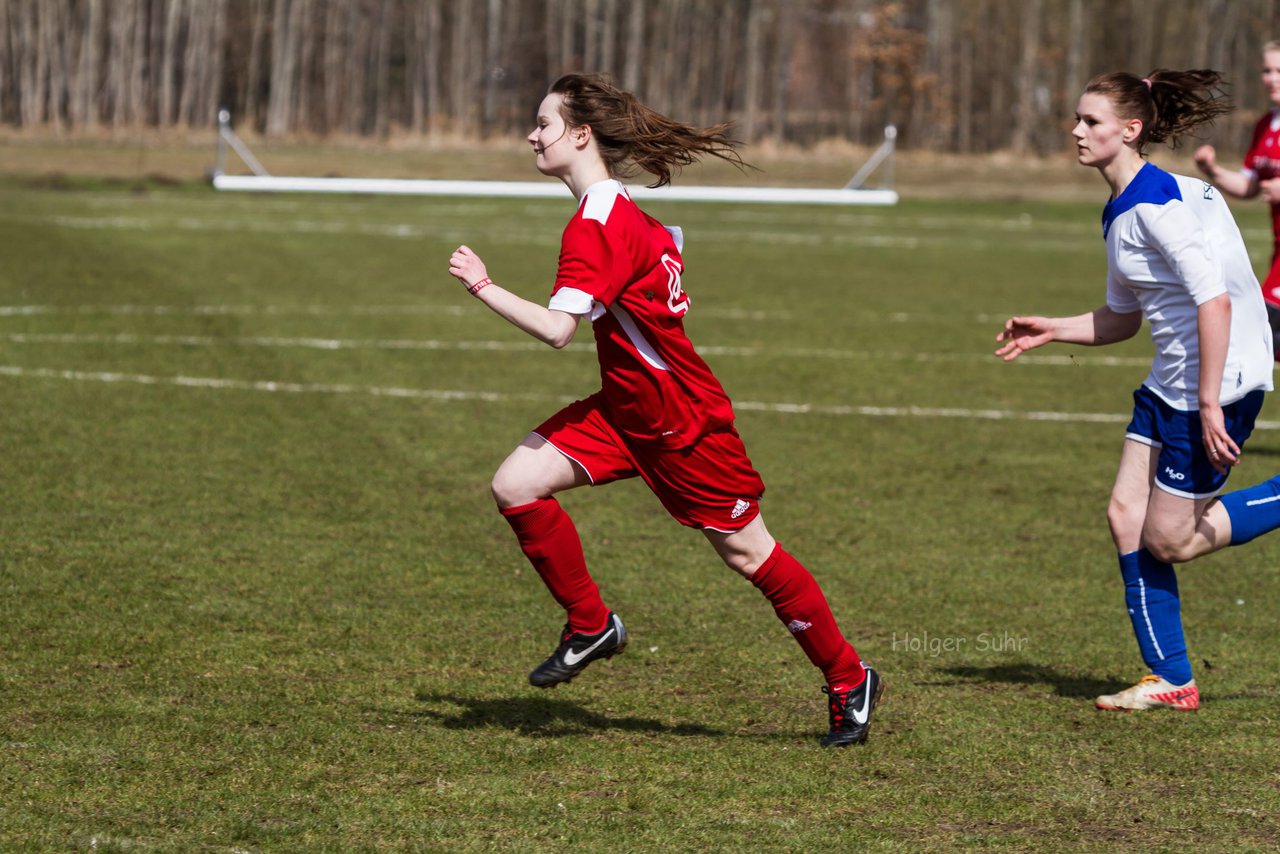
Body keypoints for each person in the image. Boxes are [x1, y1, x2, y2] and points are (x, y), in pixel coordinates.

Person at [446, 73, 882, 746]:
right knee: (516, 484)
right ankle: (592, 625)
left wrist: (483, 285)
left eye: (543, 124)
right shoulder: (621, 212)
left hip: (681, 422)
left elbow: (560, 329)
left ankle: (849, 677)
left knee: (748, 552)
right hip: (626, 410)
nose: (531, 135)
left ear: (581, 135)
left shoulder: (598, 224)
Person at [996, 69, 1280, 712]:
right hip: (1172, 380)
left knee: (1170, 540)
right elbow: (1124, 318)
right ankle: (1171, 677)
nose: (1075, 131)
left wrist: (1210, 401)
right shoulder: (1129, 205)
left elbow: (1214, 301)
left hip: (1217, 386)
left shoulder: (1158, 207)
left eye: (1089, 121)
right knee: (1126, 515)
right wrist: (1055, 329)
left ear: (1131, 130)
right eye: (1076, 118)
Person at [1194, 40, 1280, 358]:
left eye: (1278, 71)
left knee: (1260, 330)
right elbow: (1249, 185)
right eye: (1266, 70)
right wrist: (1212, 170)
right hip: (1278, 254)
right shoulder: (1265, 126)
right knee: (1262, 336)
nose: (1270, 78)